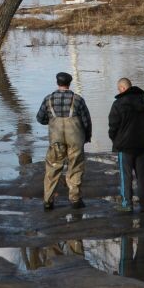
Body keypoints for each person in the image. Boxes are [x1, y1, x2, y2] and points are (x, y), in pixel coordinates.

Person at [36, 71, 92, 210]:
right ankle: (75, 200)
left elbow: (40, 119)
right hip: (76, 139)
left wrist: (51, 120)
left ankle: (48, 201)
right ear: (69, 83)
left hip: (56, 139)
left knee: (53, 168)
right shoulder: (78, 99)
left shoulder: (48, 99)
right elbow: (86, 121)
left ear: (57, 83)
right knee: (75, 167)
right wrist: (87, 137)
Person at [108, 77, 144, 213]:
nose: (119, 91)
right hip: (142, 144)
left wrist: (116, 140)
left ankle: (127, 204)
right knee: (142, 176)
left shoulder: (118, 104)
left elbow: (113, 126)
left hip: (125, 146)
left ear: (123, 88)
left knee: (126, 176)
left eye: (119, 89)